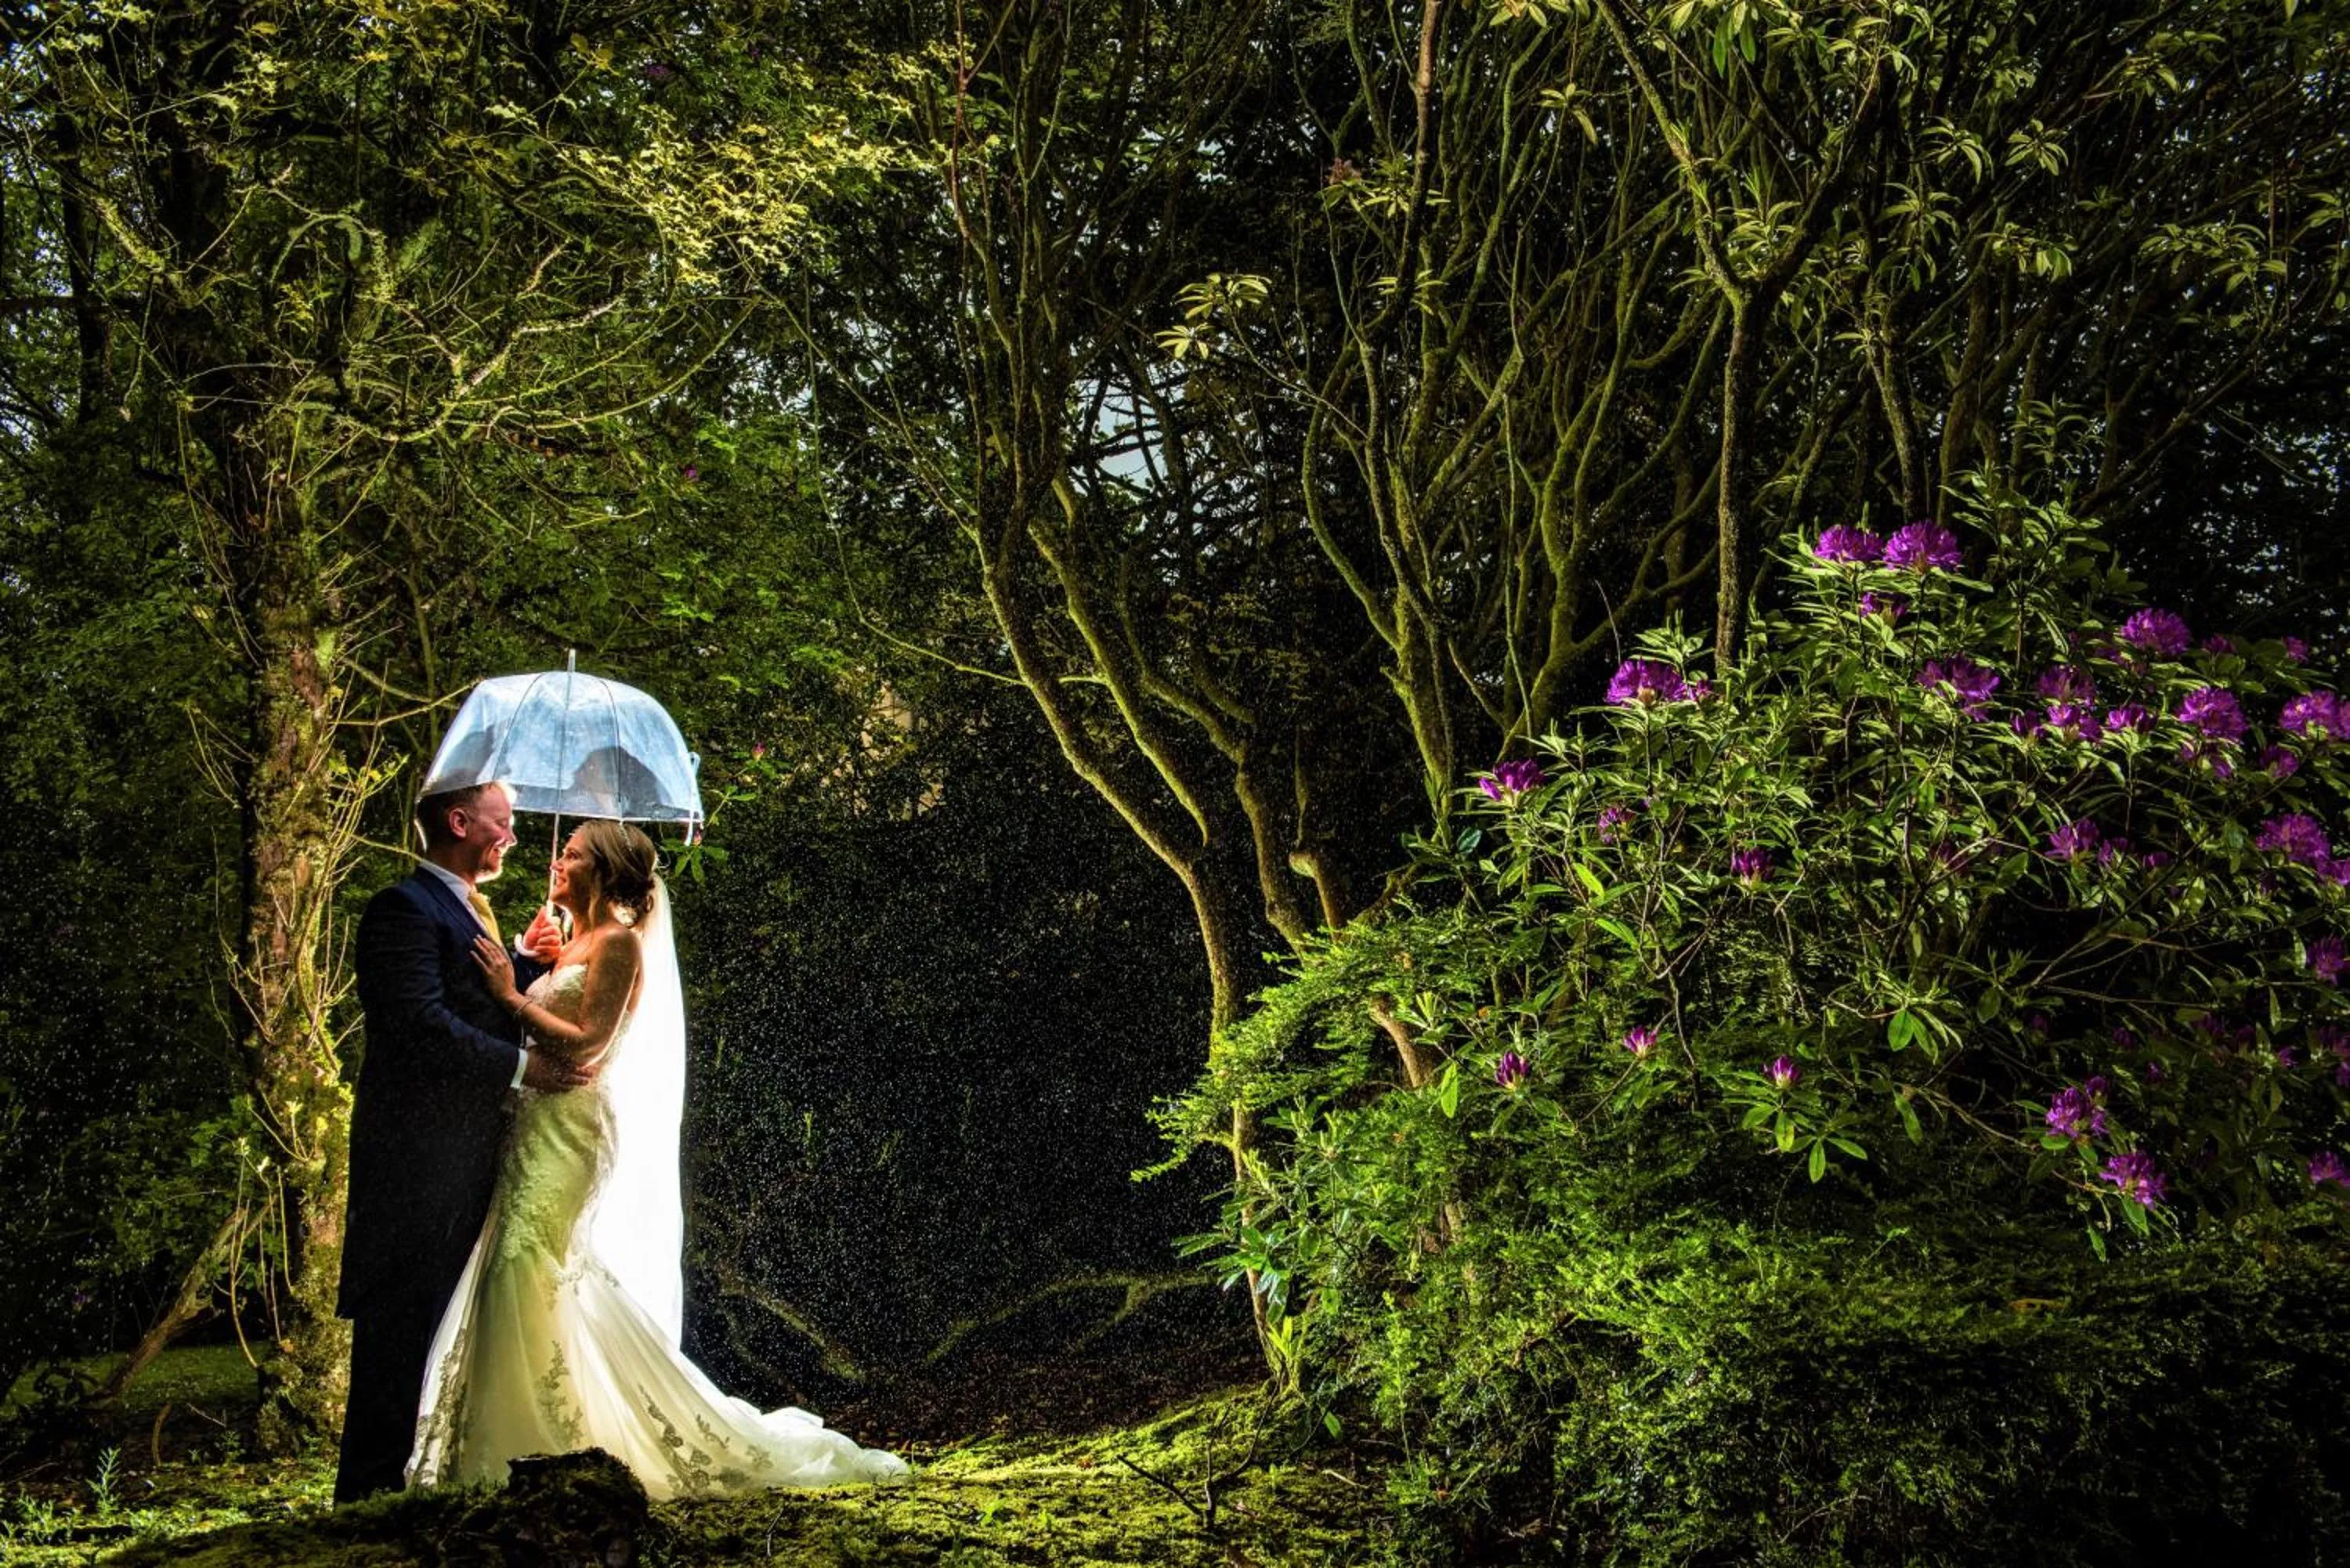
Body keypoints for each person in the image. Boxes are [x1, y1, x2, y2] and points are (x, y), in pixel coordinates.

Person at [407, 820, 907, 1498]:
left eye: (575, 852)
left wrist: (510, 996)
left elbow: (586, 1044)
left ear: (605, 871)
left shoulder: (617, 944)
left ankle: (539, 1443)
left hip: (571, 1131)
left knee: (526, 1263)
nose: (560, 858)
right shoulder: (573, 939)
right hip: (532, 1128)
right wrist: (530, 956)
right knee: (531, 1273)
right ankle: (521, 1442)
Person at [335, 781, 587, 1505]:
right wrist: (521, 1068)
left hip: (470, 1155)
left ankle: (417, 1487)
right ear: (459, 821)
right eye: (502, 823)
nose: (511, 837)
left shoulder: (462, 912)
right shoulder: (402, 910)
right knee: (400, 1326)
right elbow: (419, 1024)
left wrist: (527, 964)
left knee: (449, 1319)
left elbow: (474, 1000)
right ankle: (365, 1500)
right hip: (417, 1162)